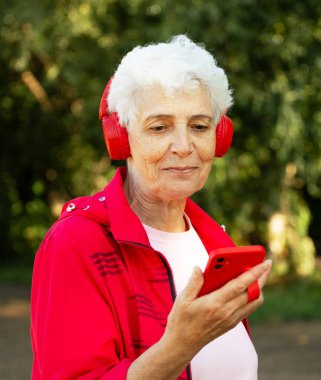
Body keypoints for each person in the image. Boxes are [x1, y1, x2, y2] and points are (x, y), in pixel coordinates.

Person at [30, 35, 272, 380]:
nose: (184, 146)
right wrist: (180, 346)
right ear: (120, 137)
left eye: (199, 126)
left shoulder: (215, 243)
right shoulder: (76, 243)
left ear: (219, 137)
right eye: (159, 127)